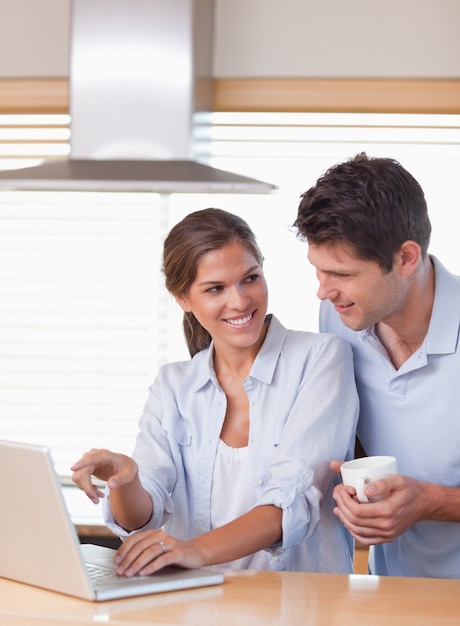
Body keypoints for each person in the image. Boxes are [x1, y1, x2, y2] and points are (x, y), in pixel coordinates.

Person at [72, 207, 358, 576]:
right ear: (183, 299)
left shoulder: (321, 359)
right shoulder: (173, 386)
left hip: (299, 606)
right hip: (198, 606)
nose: (240, 301)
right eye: (215, 288)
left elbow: (290, 501)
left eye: (250, 278)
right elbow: (142, 515)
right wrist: (125, 482)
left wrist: (191, 551)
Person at [293, 152, 460, 579]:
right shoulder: (343, 316)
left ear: (405, 258)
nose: (324, 292)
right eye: (318, 271)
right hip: (397, 593)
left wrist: (430, 501)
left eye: (343, 274)